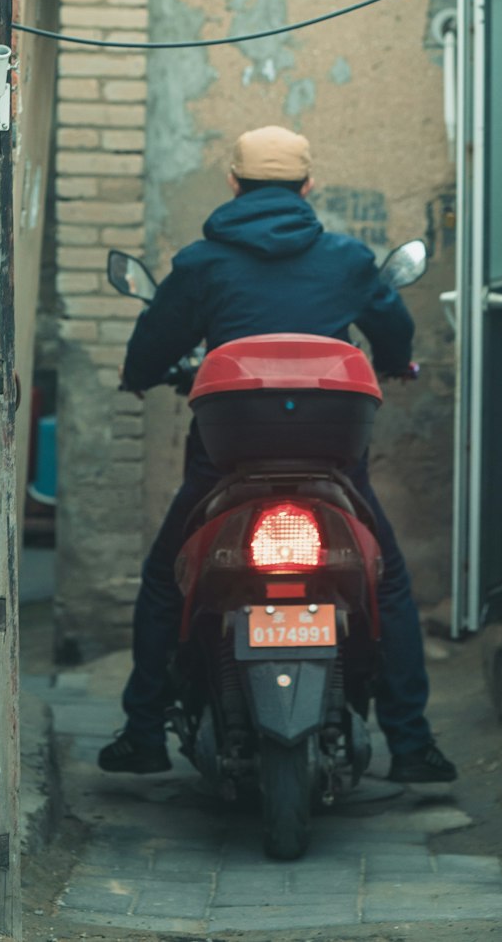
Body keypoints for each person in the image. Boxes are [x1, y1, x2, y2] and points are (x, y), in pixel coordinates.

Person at [98, 125, 456, 785]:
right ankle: (411, 744)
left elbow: (155, 339)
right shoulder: (347, 259)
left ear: (233, 184)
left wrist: (138, 375)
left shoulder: (202, 264)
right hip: (333, 460)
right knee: (388, 579)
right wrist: (395, 362)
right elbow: (391, 325)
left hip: (226, 458)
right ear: (307, 186)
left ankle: (143, 733)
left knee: (163, 578)